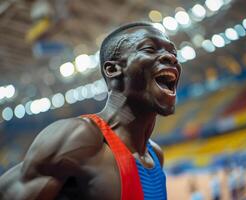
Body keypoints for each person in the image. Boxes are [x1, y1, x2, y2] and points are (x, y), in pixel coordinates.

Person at [0, 22, 182, 200]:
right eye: (149, 49)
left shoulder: (156, 155)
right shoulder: (78, 139)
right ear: (112, 69)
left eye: (173, 52)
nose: (171, 58)